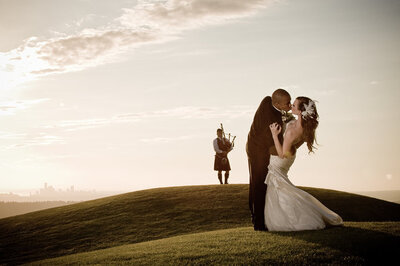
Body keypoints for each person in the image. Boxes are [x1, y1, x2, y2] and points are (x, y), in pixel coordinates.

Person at [265, 96, 343, 231]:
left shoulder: (292, 131)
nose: (291, 107)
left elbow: (282, 154)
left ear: (301, 111)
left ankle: (293, 217)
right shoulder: (304, 127)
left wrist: (274, 135)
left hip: (282, 159)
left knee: (280, 186)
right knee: (282, 185)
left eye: (294, 106)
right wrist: (291, 147)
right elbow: (296, 145)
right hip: (291, 156)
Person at [246, 89, 292, 231]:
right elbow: (277, 146)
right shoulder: (274, 122)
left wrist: (285, 114)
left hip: (251, 145)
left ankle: (256, 215)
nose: (290, 105)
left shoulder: (267, 100)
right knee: (259, 184)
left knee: (255, 182)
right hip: (258, 152)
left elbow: (277, 110)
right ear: (277, 104)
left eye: (290, 102)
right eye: (287, 103)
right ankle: (259, 223)